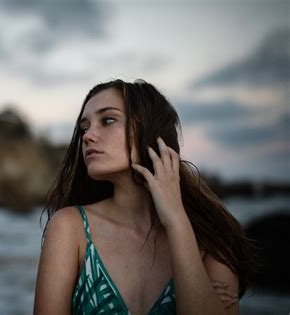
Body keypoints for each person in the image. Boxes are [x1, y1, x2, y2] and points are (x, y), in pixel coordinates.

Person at [33, 79, 256, 314]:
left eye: (107, 120)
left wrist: (177, 222)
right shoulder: (70, 227)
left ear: (151, 130)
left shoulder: (213, 240)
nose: (88, 136)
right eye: (84, 127)